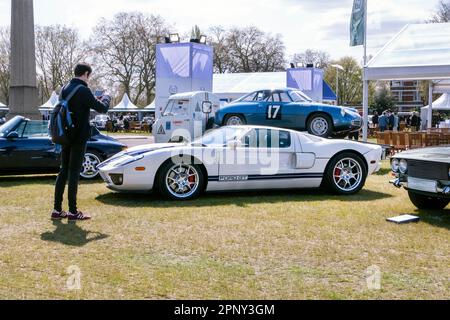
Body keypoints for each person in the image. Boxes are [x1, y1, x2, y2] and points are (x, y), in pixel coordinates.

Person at [52, 63, 111, 221]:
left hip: (64, 135)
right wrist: (106, 98)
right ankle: (73, 212)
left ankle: (57, 209)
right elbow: (102, 108)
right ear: (86, 74)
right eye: (89, 76)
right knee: (74, 172)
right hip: (79, 136)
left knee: (63, 170)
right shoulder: (83, 90)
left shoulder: (64, 89)